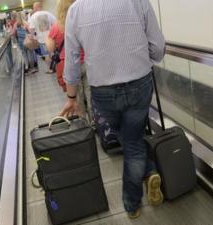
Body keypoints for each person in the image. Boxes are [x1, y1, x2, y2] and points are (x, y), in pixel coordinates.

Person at [60, 0, 166, 219]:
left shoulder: (76, 10)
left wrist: (71, 97)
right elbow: (157, 47)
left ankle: (132, 202)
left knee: (129, 142)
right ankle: (149, 171)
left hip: (103, 91)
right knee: (133, 139)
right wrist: (149, 58)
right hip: (139, 83)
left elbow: (70, 61)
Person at [46, 0, 90, 120]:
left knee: (77, 100)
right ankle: (96, 121)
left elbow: (50, 48)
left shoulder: (56, 26)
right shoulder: (84, 20)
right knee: (92, 96)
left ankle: (85, 125)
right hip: (88, 63)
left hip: (69, 66)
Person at [28, 2, 56, 73]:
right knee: (52, 53)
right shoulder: (48, 13)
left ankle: (49, 69)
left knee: (46, 54)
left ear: (37, 7)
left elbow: (31, 28)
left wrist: (32, 36)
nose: (33, 9)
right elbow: (55, 23)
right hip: (51, 38)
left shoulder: (33, 16)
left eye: (34, 8)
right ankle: (55, 66)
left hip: (42, 40)